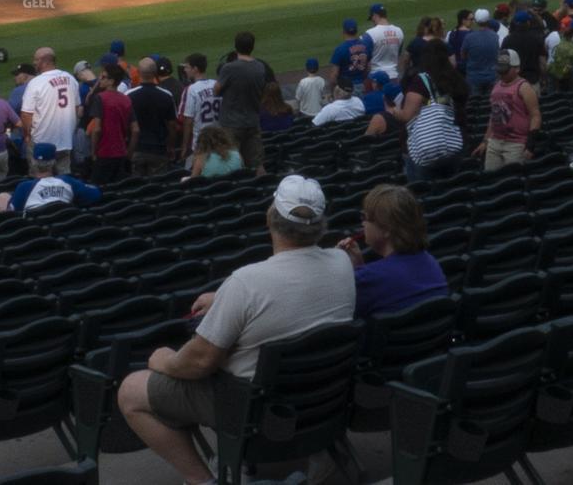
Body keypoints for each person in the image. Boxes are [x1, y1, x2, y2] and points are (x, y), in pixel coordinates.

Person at [117, 176, 356, 483]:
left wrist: (161, 359)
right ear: (320, 222)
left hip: (247, 405)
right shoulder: (343, 263)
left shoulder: (245, 283)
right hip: (321, 399)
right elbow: (293, 289)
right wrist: (224, 298)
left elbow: (198, 363)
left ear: (271, 216)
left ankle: (203, 481)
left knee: (130, 391)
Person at [337, 184, 447, 318]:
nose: (363, 224)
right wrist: (359, 267)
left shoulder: (367, 279)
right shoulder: (431, 262)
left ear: (387, 229)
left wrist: (339, 268)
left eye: (365, 217)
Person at [214, 32, 277, 176]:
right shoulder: (260, 67)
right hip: (252, 121)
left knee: (232, 164)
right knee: (257, 164)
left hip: (231, 124)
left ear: (236, 47)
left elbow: (216, 91)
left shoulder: (229, 68)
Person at [0, 144, 104, 215]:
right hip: (62, 231)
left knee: (1, 198)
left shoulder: (24, 187)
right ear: (54, 162)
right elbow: (96, 194)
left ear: (33, 162)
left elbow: (9, 215)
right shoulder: (68, 182)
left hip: (33, 237)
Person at [22, 48, 83, 172]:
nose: (34, 62)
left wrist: (27, 135)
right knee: (63, 176)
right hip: (65, 140)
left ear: (44, 62)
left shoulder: (36, 83)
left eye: (36, 59)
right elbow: (77, 109)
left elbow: (26, 114)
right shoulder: (70, 79)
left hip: (42, 142)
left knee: (40, 177)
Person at [479, 49, 539, 172]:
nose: (501, 73)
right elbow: (493, 116)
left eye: (505, 69)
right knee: (491, 181)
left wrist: (530, 145)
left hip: (516, 144)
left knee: (511, 183)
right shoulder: (496, 86)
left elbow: (535, 116)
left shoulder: (524, 87)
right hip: (495, 142)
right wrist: (485, 140)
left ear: (516, 68)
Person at [126, 59, 182, 177]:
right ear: (155, 73)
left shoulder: (129, 95)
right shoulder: (166, 95)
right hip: (159, 149)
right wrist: (171, 146)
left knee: (138, 188)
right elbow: (172, 126)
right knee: (158, 188)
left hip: (138, 149)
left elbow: (125, 125)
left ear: (139, 73)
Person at [86, 65, 136, 183]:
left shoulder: (100, 98)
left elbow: (97, 129)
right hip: (121, 153)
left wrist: (93, 152)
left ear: (111, 81)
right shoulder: (126, 99)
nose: (100, 80)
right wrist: (129, 153)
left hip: (104, 153)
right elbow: (135, 130)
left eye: (103, 77)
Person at [366, 5, 406, 79]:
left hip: (375, 78)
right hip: (394, 76)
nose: (372, 20)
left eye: (372, 18)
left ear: (375, 15)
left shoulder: (369, 34)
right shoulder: (399, 31)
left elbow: (365, 60)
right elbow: (400, 56)